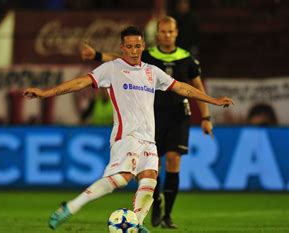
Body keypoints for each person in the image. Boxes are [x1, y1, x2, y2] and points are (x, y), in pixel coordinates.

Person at [24, 26, 233, 233]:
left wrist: (213, 101)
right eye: (130, 46)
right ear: (122, 48)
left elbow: (182, 87)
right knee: (122, 178)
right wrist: (45, 93)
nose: (134, 51)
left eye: (138, 46)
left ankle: (137, 223)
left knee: (150, 177)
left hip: (149, 139)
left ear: (143, 46)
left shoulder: (152, 71)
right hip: (126, 136)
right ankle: (71, 207)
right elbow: (80, 82)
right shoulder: (111, 68)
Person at [80, 16, 212, 229]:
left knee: (173, 160)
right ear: (157, 34)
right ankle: (156, 205)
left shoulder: (187, 59)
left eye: (171, 32)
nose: (167, 35)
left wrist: (206, 117)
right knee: (154, 165)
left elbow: (197, 87)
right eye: (163, 31)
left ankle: (167, 213)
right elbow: (119, 58)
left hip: (179, 115)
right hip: (153, 116)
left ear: (176, 33)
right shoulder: (147, 55)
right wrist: (96, 55)